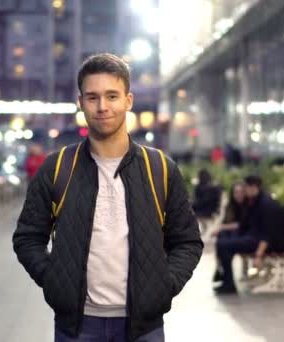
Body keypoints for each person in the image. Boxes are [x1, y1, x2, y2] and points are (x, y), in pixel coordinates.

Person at [13, 53, 203, 341]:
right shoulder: (58, 167)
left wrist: (164, 285)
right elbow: (27, 237)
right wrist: (54, 281)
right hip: (77, 326)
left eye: (112, 96)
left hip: (143, 327)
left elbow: (187, 241)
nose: (102, 107)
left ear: (128, 100)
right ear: (81, 104)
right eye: (92, 97)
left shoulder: (160, 168)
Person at [214, 175, 284, 294]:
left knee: (223, 245)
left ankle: (228, 283)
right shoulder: (255, 201)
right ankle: (225, 278)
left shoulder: (266, 204)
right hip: (253, 237)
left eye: (245, 188)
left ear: (253, 187)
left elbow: (267, 234)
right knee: (223, 237)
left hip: (268, 243)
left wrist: (258, 255)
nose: (243, 191)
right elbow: (244, 224)